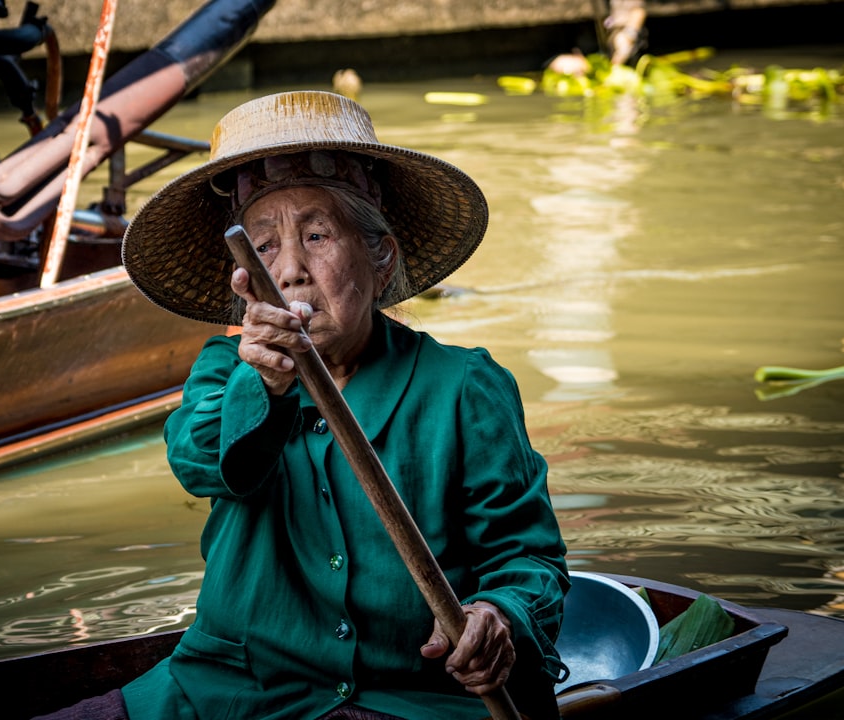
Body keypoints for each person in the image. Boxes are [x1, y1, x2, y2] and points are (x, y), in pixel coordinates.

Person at [45, 90, 570, 720]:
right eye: (264, 246)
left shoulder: (463, 386)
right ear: (244, 279)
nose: (290, 270)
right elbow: (200, 465)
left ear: (380, 259)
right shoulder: (226, 369)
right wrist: (263, 384)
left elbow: (528, 561)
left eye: (317, 235)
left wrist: (497, 615)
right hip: (230, 693)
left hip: (413, 700)